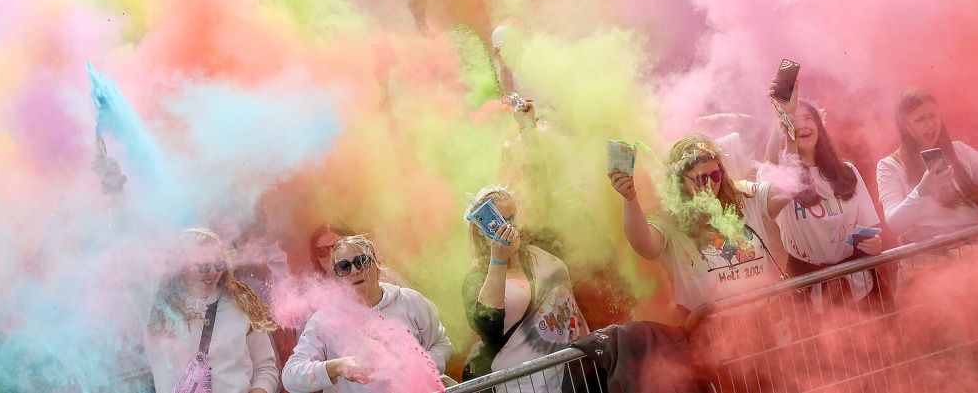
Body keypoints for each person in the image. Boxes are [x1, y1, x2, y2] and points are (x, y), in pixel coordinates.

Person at [608, 134, 793, 314]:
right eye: (700, 178)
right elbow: (645, 246)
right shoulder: (671, 216)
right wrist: (630, 198)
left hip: (766, 318)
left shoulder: (744, 195)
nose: (710, 184)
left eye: (715, 175)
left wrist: (788, 129)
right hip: (711, 334)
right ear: (679, 180)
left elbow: (789, 188)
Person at [282, 235, 453, 392]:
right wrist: (337, 366)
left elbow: (442, 344)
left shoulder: (409, 301)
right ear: (336, 277)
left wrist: (417, 368)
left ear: (378, 266)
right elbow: (290, 376)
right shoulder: (324, 321)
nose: (355, 270)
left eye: (361, 261)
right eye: (344, 267)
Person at [461, 186, 588, 392]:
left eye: (513, 218)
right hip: (526, 384)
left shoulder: (538, 247)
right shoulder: (476, 279)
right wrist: (498, 260)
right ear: (483, 230)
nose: (512, 227)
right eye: (501, 221)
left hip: (574, 367)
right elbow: (486, 326)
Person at [765, 82, 883, 303]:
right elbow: (769, 166)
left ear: (819, 127)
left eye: (809, 118)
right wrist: (782, 113)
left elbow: (867, 227)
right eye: (795, 119)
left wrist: (873, 243)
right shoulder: (784, 179)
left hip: (857, 287)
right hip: (809, 294)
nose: (802, 124)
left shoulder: (847, 171)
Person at [144, 228, 279, 393]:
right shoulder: (163, 317)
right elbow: (163, 384)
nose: (213, 272)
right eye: (203, 267)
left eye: (219, 264)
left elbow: (265, 367)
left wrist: (259, 390)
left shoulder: (241, 303)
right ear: (180, 268)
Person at [877, 88, 978, 243]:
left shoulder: (960, 150)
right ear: (904, 125)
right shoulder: (890, 166)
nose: (930, 124)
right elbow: (894, 223)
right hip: (931, 257)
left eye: (933, 116)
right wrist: (923, 190)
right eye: (920, 119)